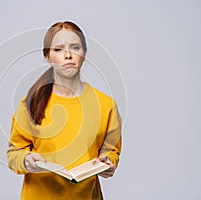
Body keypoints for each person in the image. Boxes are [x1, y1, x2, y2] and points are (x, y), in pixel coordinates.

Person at [7, 21, 122, 200]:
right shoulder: (30, 104)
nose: (68, 55)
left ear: (84, 53)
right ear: (47, 56)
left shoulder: (106, 105)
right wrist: (26, 160)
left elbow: (111, 150)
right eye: (59, 49)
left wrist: (108, 162)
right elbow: (14, 154)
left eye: (75, 47)